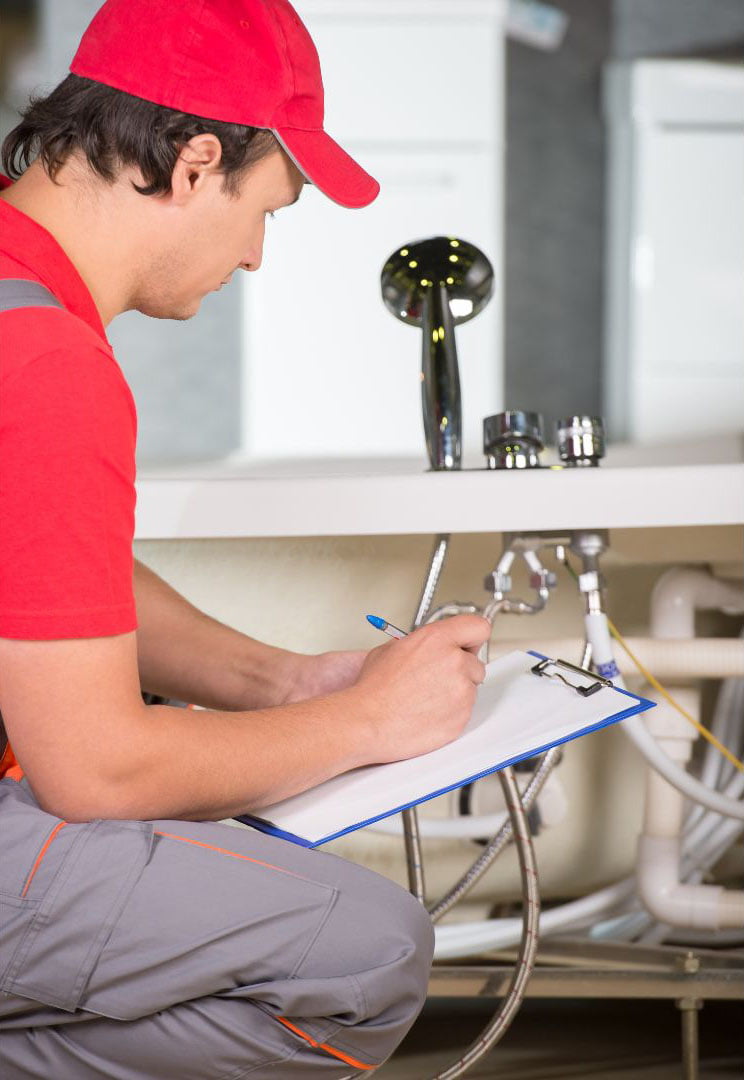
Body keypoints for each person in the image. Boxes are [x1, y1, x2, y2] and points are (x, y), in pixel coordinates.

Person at [0, 1, 490, 1076]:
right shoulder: (43, 362)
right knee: (368, 953)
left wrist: (283, 682)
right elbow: (100, 772)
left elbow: (43, 563)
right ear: (193, 164)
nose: (258, 256)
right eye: (266, 210)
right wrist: (368, 722)